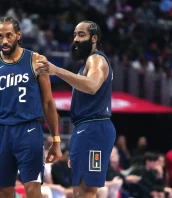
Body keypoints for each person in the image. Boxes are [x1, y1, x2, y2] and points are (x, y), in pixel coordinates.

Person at [0, 16, 62, 198]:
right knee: (3, 191)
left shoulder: (36, 61)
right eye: (0, 36)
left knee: (33, 189)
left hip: (29, 130)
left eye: (9, 35)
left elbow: (48, 103)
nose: (4, 41)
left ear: (18, 35)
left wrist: (56, 140)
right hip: (0, 132)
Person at [36, 21, 116, 198]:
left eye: (81, 35)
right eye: (75, 35)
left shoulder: (96, 59)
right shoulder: (85, 64)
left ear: (94, 38)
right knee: (80, 189)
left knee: (87, 189)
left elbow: (93, 85)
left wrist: (56, 70)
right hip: (85, 128)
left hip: (95, 127)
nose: (76, 40)